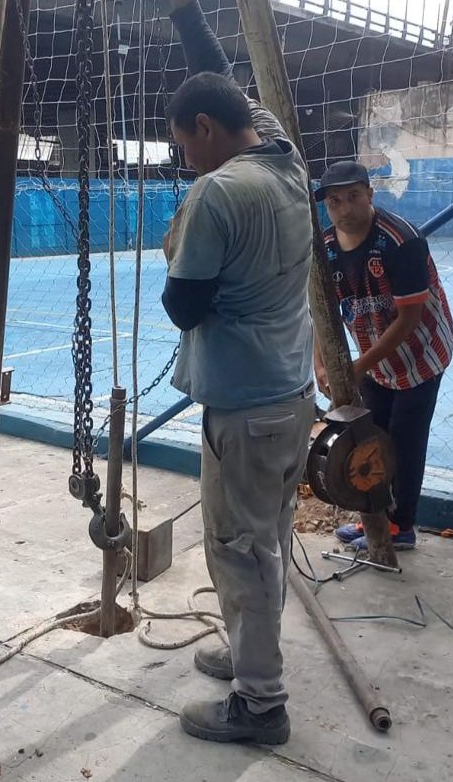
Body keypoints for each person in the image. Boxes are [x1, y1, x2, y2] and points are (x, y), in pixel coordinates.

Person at [161, 0, 315, 745]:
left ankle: (260, 703)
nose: (185, 159)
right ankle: (251, 654)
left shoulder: (217, 192)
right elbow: (227, 83)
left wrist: (174, 247)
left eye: (184, 144)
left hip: (246, 409)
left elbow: (183, 307)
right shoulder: (286, 156)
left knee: (239, 550)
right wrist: (186, 17)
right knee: (267, 537)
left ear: (205, 129)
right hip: (292, 392)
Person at [314, 161, 453, 551]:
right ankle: (375, 517)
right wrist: (320, 362)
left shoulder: (400, 241)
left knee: (405, 441)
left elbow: (410, 318)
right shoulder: (325, 248)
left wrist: (359, 366)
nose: (345, 208)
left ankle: (401, 525)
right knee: (372, 435)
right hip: (375, 356)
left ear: (370, 195)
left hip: (420, 354)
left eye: (353, 197)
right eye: (334, 201)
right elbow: (322, 309)